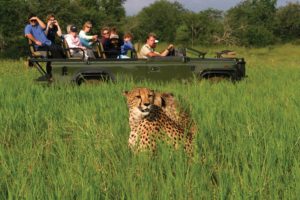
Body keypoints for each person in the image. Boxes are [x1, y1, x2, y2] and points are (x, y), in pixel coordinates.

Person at [24, 13, 65, 79]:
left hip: (48, 43)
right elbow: (28, 34)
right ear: (29, 21)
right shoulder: (28, 27)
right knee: (54, 49)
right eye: (32, 20)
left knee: (60, 48)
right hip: (41, 46)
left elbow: (44, 27)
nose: (34, 21)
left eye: (35, 20)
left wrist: (37, 18)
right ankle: (60, 68)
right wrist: (36, 41)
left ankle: (61, 67)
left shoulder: (38, 25)